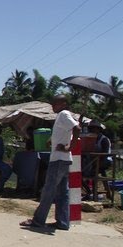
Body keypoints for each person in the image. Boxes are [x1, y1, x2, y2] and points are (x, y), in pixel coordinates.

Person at [20, 95, 80, 231]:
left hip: (59, 159)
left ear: (64, 104)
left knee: (48, 190)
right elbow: (67, 132)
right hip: (64, 160)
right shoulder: (62, 116)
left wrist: (69, 147)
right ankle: (63, 221)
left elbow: (77, 129)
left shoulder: (64, 114)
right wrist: (51, 139)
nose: (53, 106)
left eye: (56, 103)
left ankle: (38, 220)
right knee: (62, 192)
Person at [81, 120, 112, 197]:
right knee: (79, 173)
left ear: (99, 129)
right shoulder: (89, 139)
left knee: (93, 173)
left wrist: (96, 161)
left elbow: (106, 154)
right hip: (92, 161)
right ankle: (89, 191)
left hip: (104, 161)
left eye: (95, 128)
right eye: (91, 128)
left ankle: (95, 194)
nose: (93, 130)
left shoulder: (104, 139)